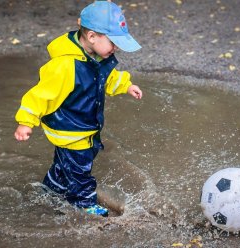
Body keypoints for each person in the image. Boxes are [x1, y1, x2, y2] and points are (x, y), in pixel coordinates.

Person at [14, 1, 142, 217]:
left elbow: (107, 79)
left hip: (80, 127)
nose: (116, 48)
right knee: (81, 171)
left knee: (65, 164)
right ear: (92, 37)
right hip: (72, 130)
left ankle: (51, 189)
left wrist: (126, 86)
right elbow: (41, 94)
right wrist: (26, 122)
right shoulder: (65, 66)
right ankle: (83, 203)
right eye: (113, 42)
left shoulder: (96, 57)